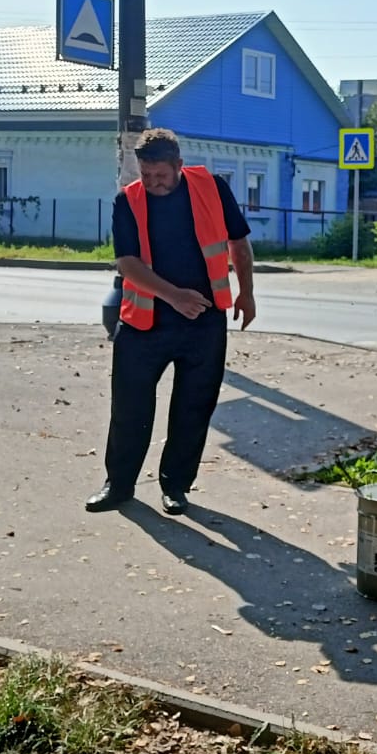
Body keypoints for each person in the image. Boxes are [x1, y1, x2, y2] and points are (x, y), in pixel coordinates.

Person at [85, 128, 257, 516]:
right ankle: (119, 485)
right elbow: (127, 264)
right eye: (146, 174)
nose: (152, 183)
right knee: (130, 408)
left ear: (179, 165)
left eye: (160, 174)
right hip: (144, 323)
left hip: (204, 322)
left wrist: (246, 293)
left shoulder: (211, 187)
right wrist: (174, 297)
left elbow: (239, 243)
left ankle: (175, 486)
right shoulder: (127, 201)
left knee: (194, 408)